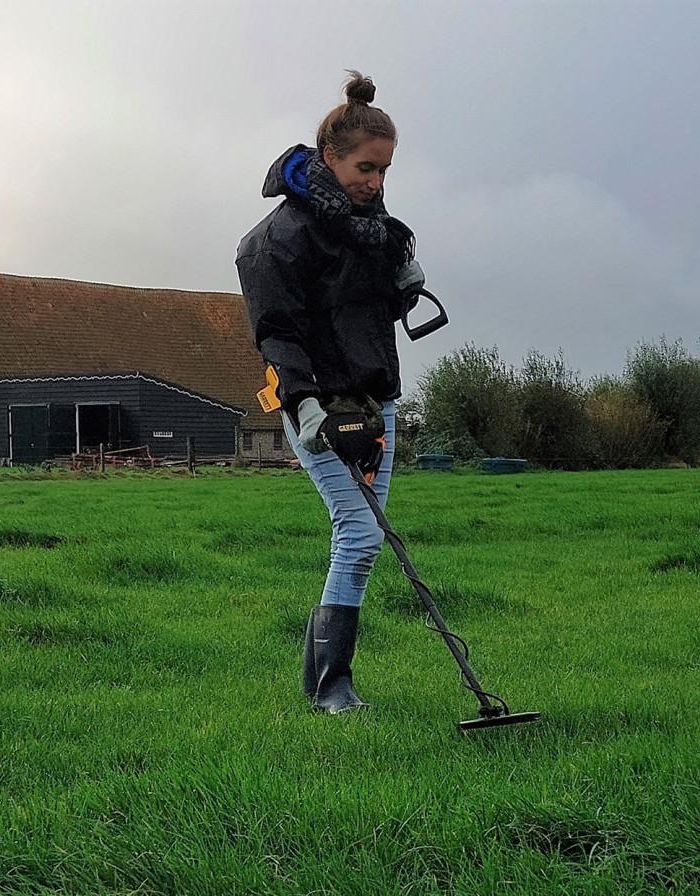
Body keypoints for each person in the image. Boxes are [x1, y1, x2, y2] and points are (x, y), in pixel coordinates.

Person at [236, 71, 426, 714]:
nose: (375, 182)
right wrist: (303, 404)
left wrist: (404, 280)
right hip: (316, 404)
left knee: (363, 538)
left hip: (378, 400)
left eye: (385, 170)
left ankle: (327, 685)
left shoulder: (378, 231)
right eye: (364, 168)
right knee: (360, 532)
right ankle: (332, 688)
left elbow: (371, 318)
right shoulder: (275, 240)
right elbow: (277, 332)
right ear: (328, 159)